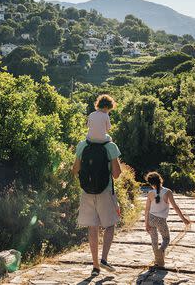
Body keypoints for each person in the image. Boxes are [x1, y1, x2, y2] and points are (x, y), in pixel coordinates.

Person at [72, 94, 121, 277]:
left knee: (92, 228)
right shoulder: (110, 146)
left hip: (86, 191)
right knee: (110, 225)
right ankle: (104, 259)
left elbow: (75, 170)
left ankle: (94, 266)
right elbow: (116, 174)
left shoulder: (82, 145)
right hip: (105, 191)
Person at [144, 172, 191, 267]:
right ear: (160, 179)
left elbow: (147, 210)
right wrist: (184, 219)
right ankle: (161, 251)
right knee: (166, 238)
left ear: (150, 183)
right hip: (161, 220)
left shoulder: (150, 193)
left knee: (154, 240)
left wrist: (146, 224)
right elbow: (175, 207)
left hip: (151, 218)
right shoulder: (167, 192)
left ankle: (158, 261)